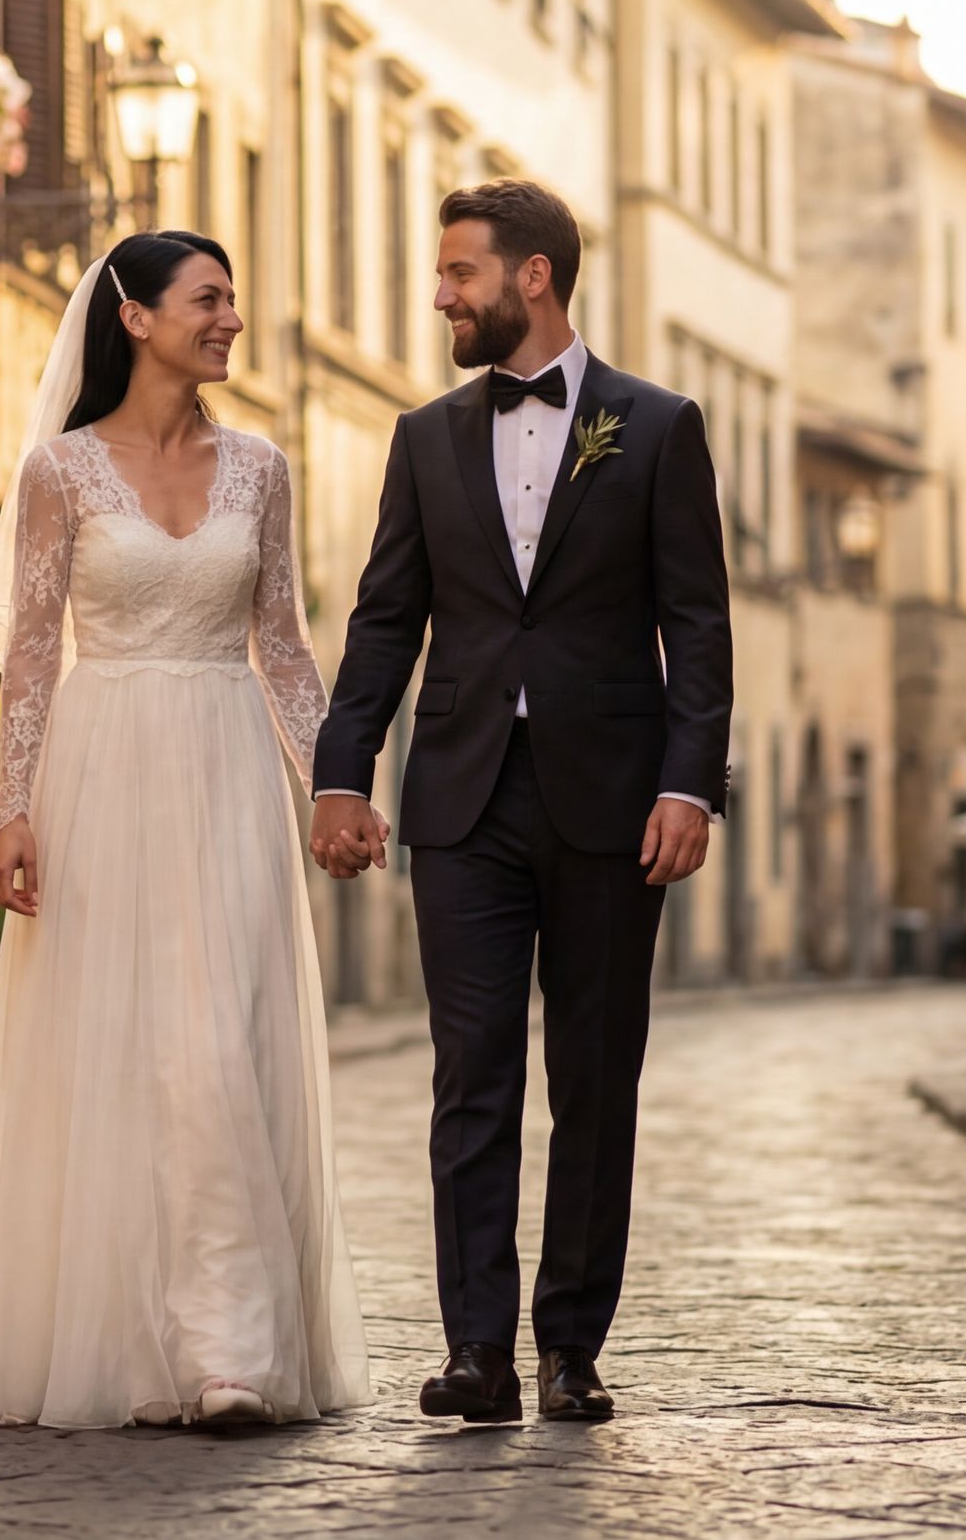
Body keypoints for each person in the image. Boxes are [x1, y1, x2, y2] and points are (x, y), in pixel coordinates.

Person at [310, 178, 731, 1428]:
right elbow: (386, 621)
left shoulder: (658, 427)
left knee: (596, 1079)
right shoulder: (425, 438)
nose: (440, 293)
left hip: (614, 805)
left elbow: (696, 626)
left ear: (531, 277)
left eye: (459, 274)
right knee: (471, 1073)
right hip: (464, 802)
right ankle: (478, 1352)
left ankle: (570, 1350)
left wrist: (688, 783)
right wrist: (345, 770)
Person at [0, 230, 371, 1430]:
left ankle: (230, 1349)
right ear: (134, 317)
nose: (232, 317)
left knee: (218, 1037)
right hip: (102, 765)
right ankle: (137, 1339)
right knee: (126, 1049)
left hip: (226, 766)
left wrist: (332, 782)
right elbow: (30, 652)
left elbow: (282, 643)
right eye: (209, 298)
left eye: (235, 296)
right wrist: (12, 806)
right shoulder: (58, 474)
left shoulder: (263, 469)